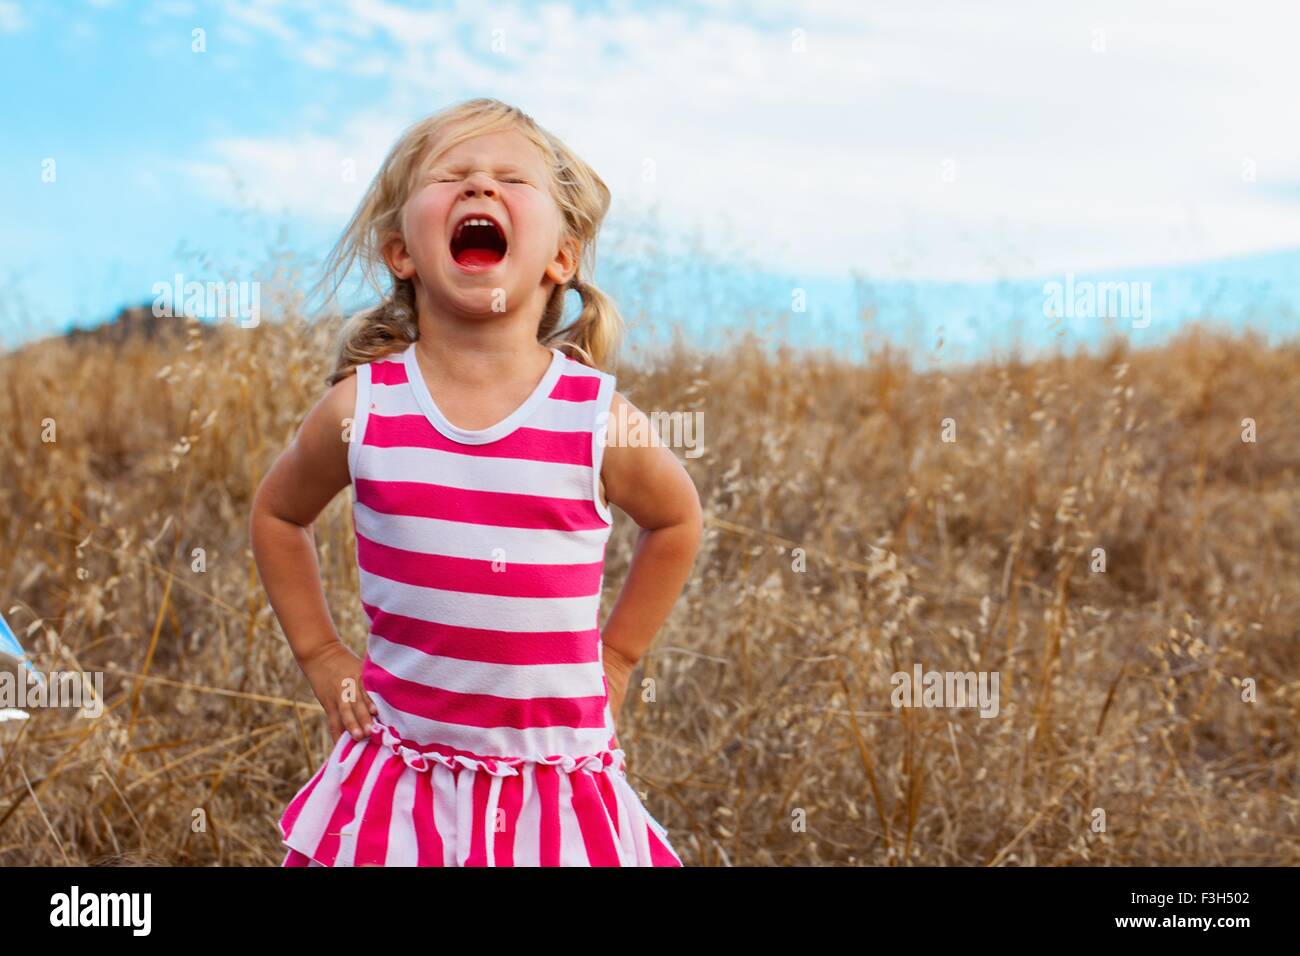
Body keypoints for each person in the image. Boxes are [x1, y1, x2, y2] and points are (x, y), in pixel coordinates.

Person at [250, 98, 702, 866]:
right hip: (401, 778)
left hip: (552, 788)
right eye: (452, 176)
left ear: (562, 257)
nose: (480, 189)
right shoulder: (364, 407)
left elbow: (676, 520)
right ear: (401, 252)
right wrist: (323, 656)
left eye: (510, 180)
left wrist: (617, 661)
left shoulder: (595, 416)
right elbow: (276, 515)